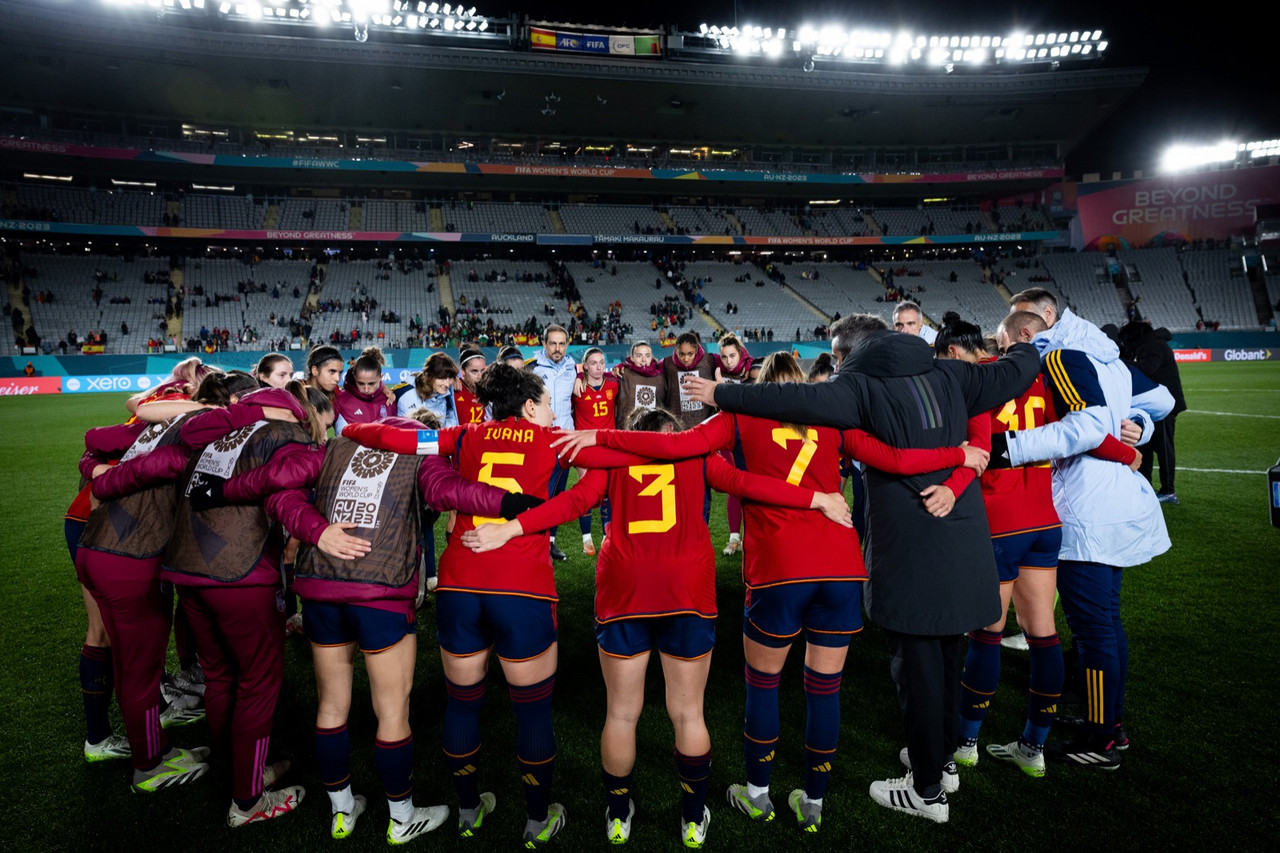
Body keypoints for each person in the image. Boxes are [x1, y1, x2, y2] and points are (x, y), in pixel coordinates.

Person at [556, 351, 986, 833]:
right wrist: (958, 457)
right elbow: (894, 459)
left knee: (759, 685)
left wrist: (601, 436)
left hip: (777, 568)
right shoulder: (835, 417)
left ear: (761, 385)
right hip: (839, 567)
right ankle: (814, 803)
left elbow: (684, 449)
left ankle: (756, 794)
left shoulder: (740, 414)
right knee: (824, 692)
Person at [680, 313, 1041, 824]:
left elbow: (717, 448)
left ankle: (912, 789)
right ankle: (851, 790)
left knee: (880, 672)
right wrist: (1028, 343)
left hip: (834, 559)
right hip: (904, 555)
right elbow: (1005, 378)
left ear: (848, 356)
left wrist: (721, 396)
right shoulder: (951, 374)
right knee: (917, 664)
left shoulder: (849, 393)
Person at [469, 404, 854, 846]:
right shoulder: (697, 455)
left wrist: (514, 528)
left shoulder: (611, 457)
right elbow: (750, 485)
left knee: (620, 713)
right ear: (673, 433)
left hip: (624, 590)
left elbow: (573, 502)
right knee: (689, 713)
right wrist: (818, 497)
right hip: (686, 591)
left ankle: (617, 817)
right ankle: (692, 820)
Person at [343, 363, 646, 848]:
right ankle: (536, 818)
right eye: (547, 403)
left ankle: (468, 810)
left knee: (462, 706)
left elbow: (382, 438)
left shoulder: (462, 436)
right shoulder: (554, 443)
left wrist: (353, 426)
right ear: (529, 405)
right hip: (521, 587)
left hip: (460, 583)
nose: (552, 411)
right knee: (532, 713)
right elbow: (584, 497)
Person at [219, 408, 538, 843]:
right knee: (391, 710)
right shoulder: (421, 456)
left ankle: (342, 812)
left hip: (321, 590)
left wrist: (313, 529)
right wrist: (512, 504)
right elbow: (454, 493)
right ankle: (402, 817)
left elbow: (278, 488)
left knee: (332, 706)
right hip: (381, 594)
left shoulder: (333, 447)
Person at [996, 288, 1173, 768]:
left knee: (1094, 628)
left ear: (1040, 323)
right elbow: (1159, 398)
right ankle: (1108, 724)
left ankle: (1102, 739)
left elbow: (1092, 427)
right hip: (1113, 501)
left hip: (1086, 508)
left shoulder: (1058, 355)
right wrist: (1139, 422)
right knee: (1106, 624)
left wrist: (1008, 448)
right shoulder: (1104, 352)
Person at [73, 373, 258, 792]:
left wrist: (97, 469)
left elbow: (95, 440)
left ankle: (153, 749)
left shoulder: (166, 422)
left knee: (131, 662)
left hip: (99, 544)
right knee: (140, 668)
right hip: (131, 557)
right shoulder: (205, 433)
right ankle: (149, 766)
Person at [163, 383, 335, 825]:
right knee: (260, 684)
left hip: (186, 568)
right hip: (240, 575)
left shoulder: (217, 434)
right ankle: (247, 800)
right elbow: (286, 490)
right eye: (324, 422)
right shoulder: (286, 437)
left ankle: (243, 770)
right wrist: (318, 529)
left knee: (220, 676)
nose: (324, 431)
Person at [1118, 323, 1186, 504]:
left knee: (1163, 449)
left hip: (1163, 407)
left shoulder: (1153, 346)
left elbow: (1147, 369)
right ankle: (1146, 486)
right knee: (1145, 446)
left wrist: (1123, 361)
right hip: (1154, 405)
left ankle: (1168, 491)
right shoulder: (1152, 344)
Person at [529, 325, 577, 561]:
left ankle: (550, 542)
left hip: (566, 440)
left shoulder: (572, 367)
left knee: (559, 494)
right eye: (553, 343)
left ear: (567, 345)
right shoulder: (532, 368)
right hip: (541, 441)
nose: (557, 349)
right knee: (541, 494)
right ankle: (535, 541)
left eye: (561, 344)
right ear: (544, 344)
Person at [571, 347, 617, 555]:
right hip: (584, 447)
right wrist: (578, 376)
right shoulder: (576, 388)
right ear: (586, 366)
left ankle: (608, 537)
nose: (598, 367)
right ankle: (586, 540)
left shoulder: (613, 385)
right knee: (587, 492)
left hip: (607, 446)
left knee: (608, 493)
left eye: (601, 362)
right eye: (593, 363)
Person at [713, 334, 754, 556]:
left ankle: (753, 536)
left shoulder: (754, 369)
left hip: (751, 436)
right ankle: (734, 538)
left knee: (754, 485)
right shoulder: (716, 368)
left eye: (732, 355)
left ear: (741, 353)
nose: (728, 361)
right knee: (734, 488)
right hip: (729, 437)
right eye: (724, 356)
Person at [335, 347, 392, 433]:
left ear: (381, 377)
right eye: (361, 383)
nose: (366, 389)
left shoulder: (390, 399)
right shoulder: (340, 400)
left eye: (371, 384)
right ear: (354, 377)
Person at [613, 340, 666, 429]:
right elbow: (599, 377)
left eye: (647, 356)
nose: (644, 359)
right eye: (639, 356)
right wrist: (581, 377)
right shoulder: (622, 373)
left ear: (651, 358)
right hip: (628, 431)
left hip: (653, 430)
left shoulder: (661, 375)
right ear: (632, 358)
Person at [397, 351, 459, 426]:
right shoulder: (405, 394)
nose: (447, 384)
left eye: (450, 378)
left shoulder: (448, 394)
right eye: (442, 378)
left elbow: (450, 422)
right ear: (430, 376)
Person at [455, 349, 488, 425]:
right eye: (474, 371)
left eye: (482, 370)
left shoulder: (489, 391)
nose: (480, 376)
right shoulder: (453, 390)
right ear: (463, 371)